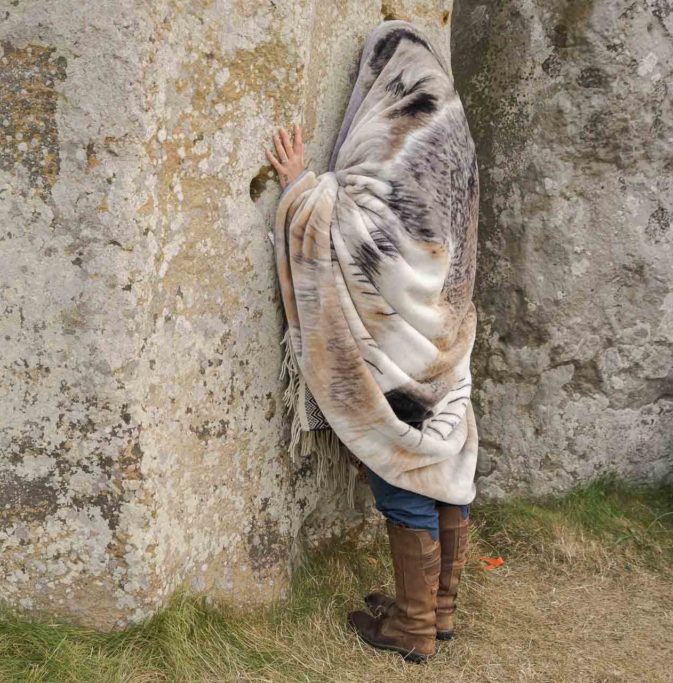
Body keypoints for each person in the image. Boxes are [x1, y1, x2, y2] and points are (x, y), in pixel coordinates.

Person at [266, 20, 479, 663]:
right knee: (444, 459)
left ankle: (412, 629)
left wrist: (303, 188)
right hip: (443, 330)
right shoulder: (455, 141)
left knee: (403, 473)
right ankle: (437, 610)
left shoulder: (398, 143)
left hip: (396, 346)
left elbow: (371, 236)